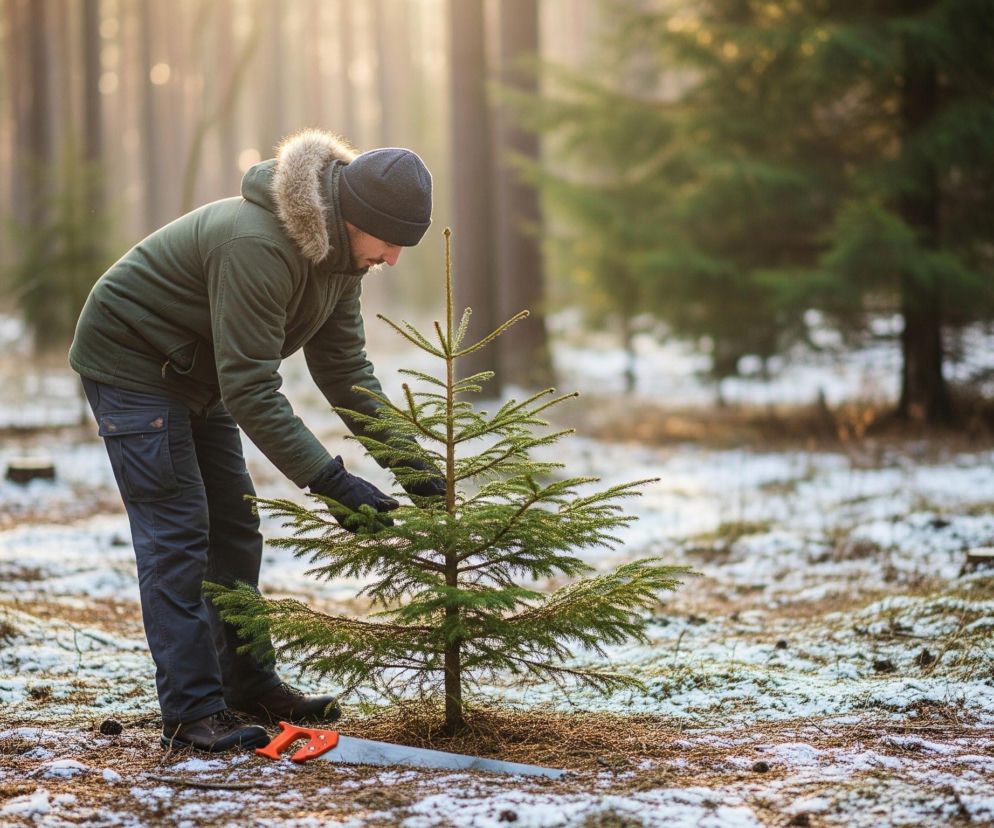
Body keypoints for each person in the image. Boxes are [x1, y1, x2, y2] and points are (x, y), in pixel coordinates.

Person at [68, 129, 444, 753]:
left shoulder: (341, 260)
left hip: (199, 374)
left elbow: (346, 374)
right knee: (179, 532)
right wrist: (331, 480)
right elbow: (252, 388)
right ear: (358, 218)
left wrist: (415, 469)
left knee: (235, 527)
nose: (394, 258)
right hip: (134, 365)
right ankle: (192, 715)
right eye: (392, 242)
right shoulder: (259, 245)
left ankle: (246, 683)